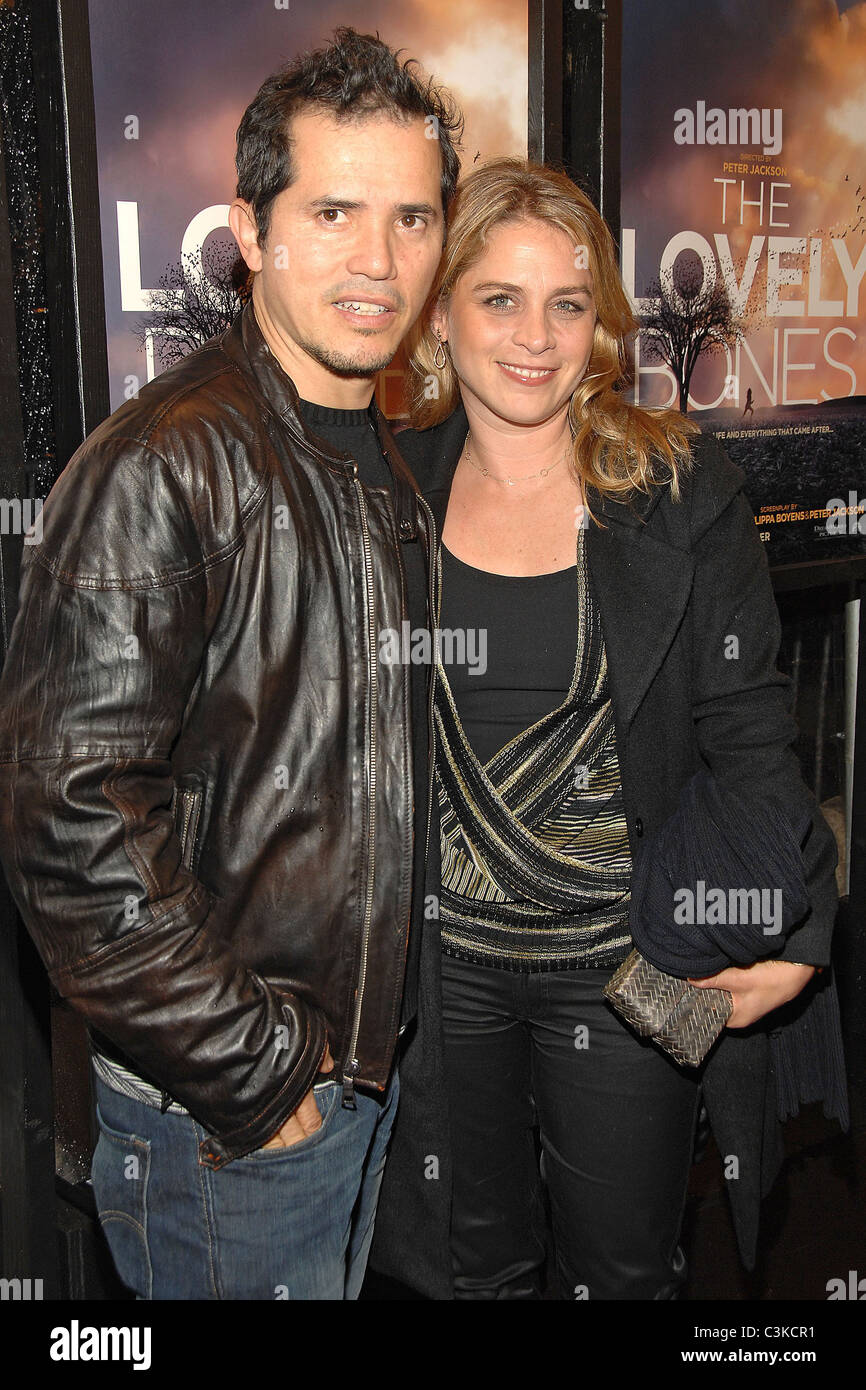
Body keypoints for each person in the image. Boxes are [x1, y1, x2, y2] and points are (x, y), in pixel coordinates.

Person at [0, 28, 462, 1300]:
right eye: (333, 212)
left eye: (412, 219)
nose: (379, 261)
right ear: (249, 230)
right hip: (226, 1122)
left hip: (346, 1088)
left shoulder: (385, 465)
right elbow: (69, 833)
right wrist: (269, 1080)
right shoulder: (162, 465)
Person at [368, 157, 841, 1300]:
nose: (533, 336)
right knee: (466, 1271)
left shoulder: (678, 487)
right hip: (442, 976)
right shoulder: (382, 489)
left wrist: (798, 917)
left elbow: (748, 737)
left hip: (629, 970)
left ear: (600, 324)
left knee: (623, 1273)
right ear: (440, 315)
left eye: (566, 304)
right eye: (497, 299)